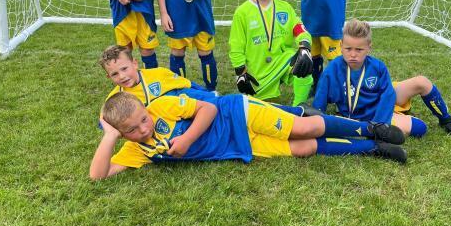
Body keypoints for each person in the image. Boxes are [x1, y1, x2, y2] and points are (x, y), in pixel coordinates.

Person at [89, 90, 408, 179]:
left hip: (237, 112)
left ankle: (370, 128)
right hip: (237, 145)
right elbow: (98, 175)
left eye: (143, 120)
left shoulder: (163, 105)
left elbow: (208, 110)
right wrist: (109, 137)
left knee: (304, 128)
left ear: (146, 108)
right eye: (132, 130)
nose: (143, 129)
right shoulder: (135, 150)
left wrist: (185, 140)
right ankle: (371, 148)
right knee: (303, 150)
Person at [313, 19, 451, 140]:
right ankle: (392, 118)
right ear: (341, 45)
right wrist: (318, 121)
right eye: (348, 49)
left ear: (369, 47)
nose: (353, 54)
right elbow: (320, 98)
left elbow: (388, 94)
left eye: (359, 49)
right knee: (420, 128)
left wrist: (380, 124)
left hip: (379, 106)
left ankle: (447, 121)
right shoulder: (333, 69)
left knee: (422, 82)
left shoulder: (378, 67)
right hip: (361, 115)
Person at [229, 0, 313, 105]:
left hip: (282, 61)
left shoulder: (284, 8)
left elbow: (300, 30)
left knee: (304, 67)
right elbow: (236, 46)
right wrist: (240, 73)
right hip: (257, 70)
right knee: (261, 110)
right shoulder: (242, 12)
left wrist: (304, 47)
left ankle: (299, 108)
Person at [99, 44, 218, 106]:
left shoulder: (159, 74)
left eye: (124, 68)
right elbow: (107, 119)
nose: (122, 76)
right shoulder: (115, 98)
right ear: (109, 77)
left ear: (135, 63)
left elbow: (187, 85)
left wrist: (208, 95)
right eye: (115, 74)